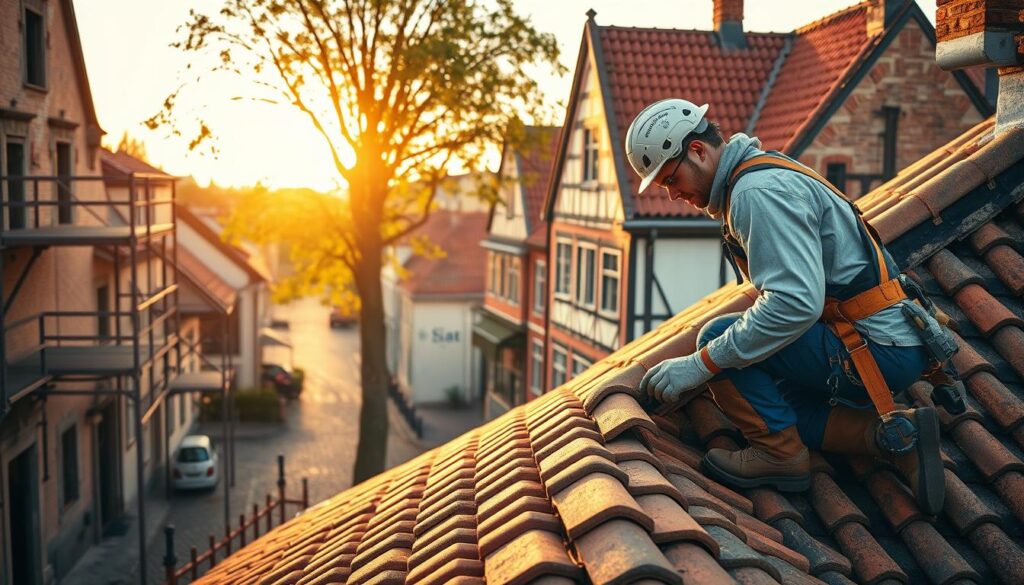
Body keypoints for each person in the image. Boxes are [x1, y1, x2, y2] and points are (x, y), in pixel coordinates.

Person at [625, 98, 950, 514]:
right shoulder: (763, 170)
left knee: (715, 340)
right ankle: (895, 438)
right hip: (889, 340)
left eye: (671, 179)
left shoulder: (755, 192)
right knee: (778, 400)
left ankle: (780, 455)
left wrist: (700, 364)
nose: (672, 194)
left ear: (698, 151)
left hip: (876, 349)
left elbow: (795, 304)